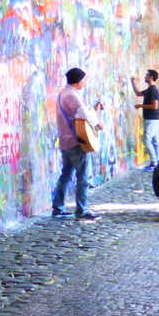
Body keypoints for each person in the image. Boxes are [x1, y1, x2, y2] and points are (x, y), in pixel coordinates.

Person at [51, 68, 99, 220]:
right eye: (83, 79)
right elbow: (82, 113)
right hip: (75, 141)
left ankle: (58, 207)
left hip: (66, 141)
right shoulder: (71, 95)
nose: (84, 82)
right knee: (83, 176)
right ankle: (82, 210)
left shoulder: (63, 94)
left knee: (65, 175)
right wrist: (98, 123)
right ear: (78, 80)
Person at [133, 69, 159, 168]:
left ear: (151, 77)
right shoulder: (149, 89)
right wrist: (133, 82)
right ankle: (157, 162)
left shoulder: (153, 90)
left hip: (151, 119)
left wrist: (140, 105)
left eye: (147, 75)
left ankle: (154, 163)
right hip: (152, 119)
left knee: (147, 140)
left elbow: (155, 106)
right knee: (155, 141)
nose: (145, 77)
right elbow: (138, 93)